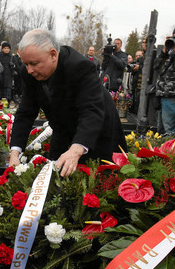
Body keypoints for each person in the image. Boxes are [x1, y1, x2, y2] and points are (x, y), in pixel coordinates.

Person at [8, 29, 126, 177]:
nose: (29, 70)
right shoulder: (29, 73)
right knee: (55, 176)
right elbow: (25, 112)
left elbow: (91, 111)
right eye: (25, 64)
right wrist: (15, 153)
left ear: (53, 54)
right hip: (62, 127)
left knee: (98, 180)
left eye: (34, 63)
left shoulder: (79, 66)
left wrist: (76, 150)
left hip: (97, 129)